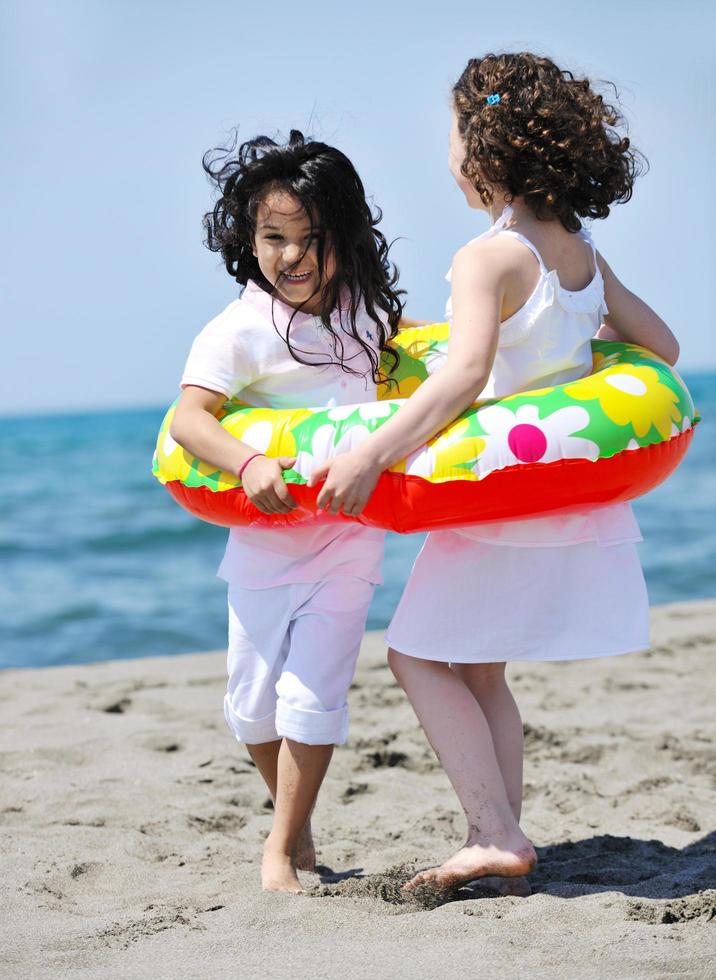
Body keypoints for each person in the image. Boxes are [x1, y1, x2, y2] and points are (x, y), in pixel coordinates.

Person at [309, 52, 679, 897]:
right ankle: (502, 828)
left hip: (494, 506)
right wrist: (572, 360)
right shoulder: (579, 252)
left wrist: (371, 452)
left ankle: (494, 831)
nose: (443, 152)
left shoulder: (489, 257)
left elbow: (466, 373)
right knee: (480, 669)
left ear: (482, 146)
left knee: (413, 656)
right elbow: (662, 348)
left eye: (448, 132)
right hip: (559, 502)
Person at [170, 130, 403, 893]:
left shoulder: (365, 316)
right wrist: (249, 460)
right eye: (275, 237)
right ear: (249, 239)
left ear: (344, 238)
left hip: (346, 539)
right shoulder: (237, 329)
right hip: (264, 544)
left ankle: (278, 850)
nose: (293, 256)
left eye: (311, 238)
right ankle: (295, 830)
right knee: (251, 702)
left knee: (313, 694)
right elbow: (189, 419)